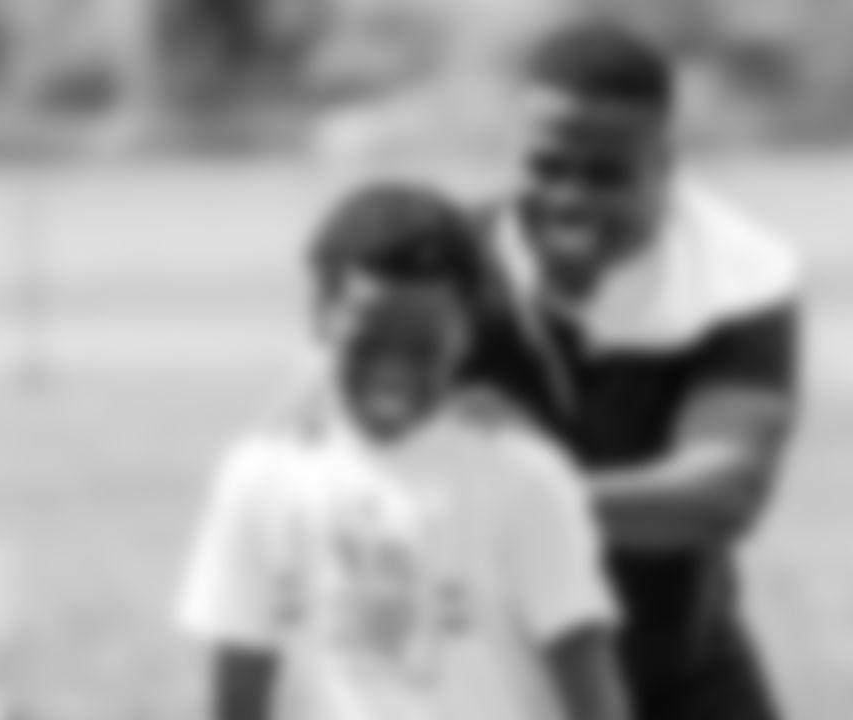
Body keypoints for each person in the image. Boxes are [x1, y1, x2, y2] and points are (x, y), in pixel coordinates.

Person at [177, 183, 630, 720]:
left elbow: (591, 686)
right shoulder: (261, 477)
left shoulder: (524, 479)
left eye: (423, 349)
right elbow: (236, 688)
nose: (393, 370)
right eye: (368, 342)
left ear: (466, 332)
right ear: (321, 313)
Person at [465, 20, 804, 720]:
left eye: (605, 174)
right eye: (546, 167)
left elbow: (723, 492)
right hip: (489, 678)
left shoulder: (737, 273)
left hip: (678, 667)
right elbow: (317, 437)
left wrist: (521, 492)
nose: (569, 198)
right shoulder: (446, 265)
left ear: (664, 163)